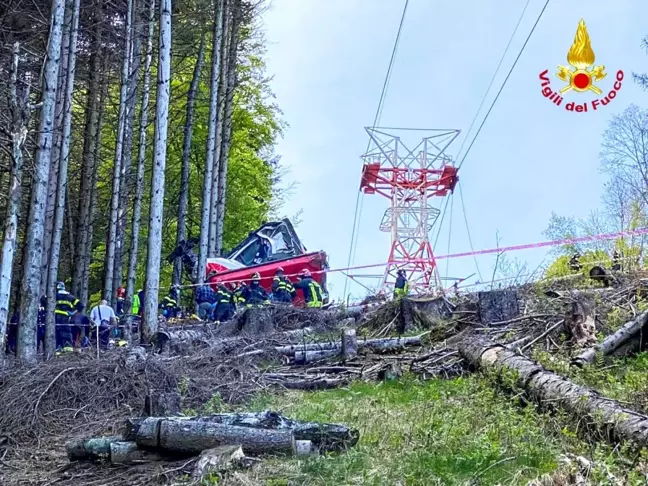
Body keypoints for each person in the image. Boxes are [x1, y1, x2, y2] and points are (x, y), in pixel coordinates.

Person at [55, 282, 79, 351]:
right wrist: (72, 313)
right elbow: (80, 306)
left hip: (56, 317)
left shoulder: (54, 296)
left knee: (57, 332)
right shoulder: (71, 297)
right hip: (66, 318)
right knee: (66, 331)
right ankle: (67, 347)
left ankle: (58, 348)